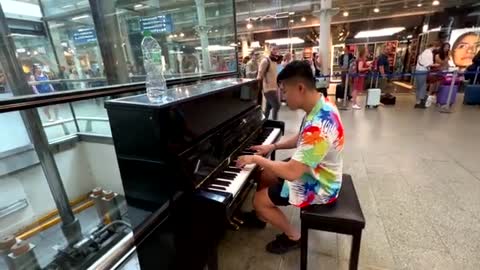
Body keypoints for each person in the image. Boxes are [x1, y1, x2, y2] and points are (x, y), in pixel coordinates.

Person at [236, 60, 344, 254]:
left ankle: (294, 237)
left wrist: (256, 159)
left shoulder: (319, 125)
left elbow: (293, 173)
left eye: (284, 91)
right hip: (315, 169)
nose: (282, 96)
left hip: (322, 184)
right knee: (266, 174)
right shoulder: (320, 105)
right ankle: (261, 217)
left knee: (259, 201)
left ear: (300, 88)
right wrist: (273, 145)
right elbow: (302, 137)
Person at [257, 44, 281, 120]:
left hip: (274, 88)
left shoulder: (274, 61)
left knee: (268, 108)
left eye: (276, 49)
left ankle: (263, 122)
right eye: (273, 49)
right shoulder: (265, 61)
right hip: (268, 89)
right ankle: (275, 123)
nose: (275, 51)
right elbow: (259, 75)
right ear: (270, 49)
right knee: (276, 105)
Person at [414, 42, 441, 108]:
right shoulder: (429, 53)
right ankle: (420, 102)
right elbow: (428, 64)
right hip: (423, 71)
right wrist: (436, 65)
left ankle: (418, 101)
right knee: (422, 87)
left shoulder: (424, 52)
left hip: (418, 71)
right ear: (435, 46)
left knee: (419, 87)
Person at [426, 42, 451, 106]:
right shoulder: (437, 55)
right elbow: (439, 63)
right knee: (433, 85)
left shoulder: (447, 55)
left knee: (439, 86)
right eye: (446, 47)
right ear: (443, 47)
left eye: (448, 47)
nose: (447, 48)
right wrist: (445, 60)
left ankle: (436, 99)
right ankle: (428, 98)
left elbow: (447, 64)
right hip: (437, 71)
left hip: (444, 72)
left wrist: (449, 67)